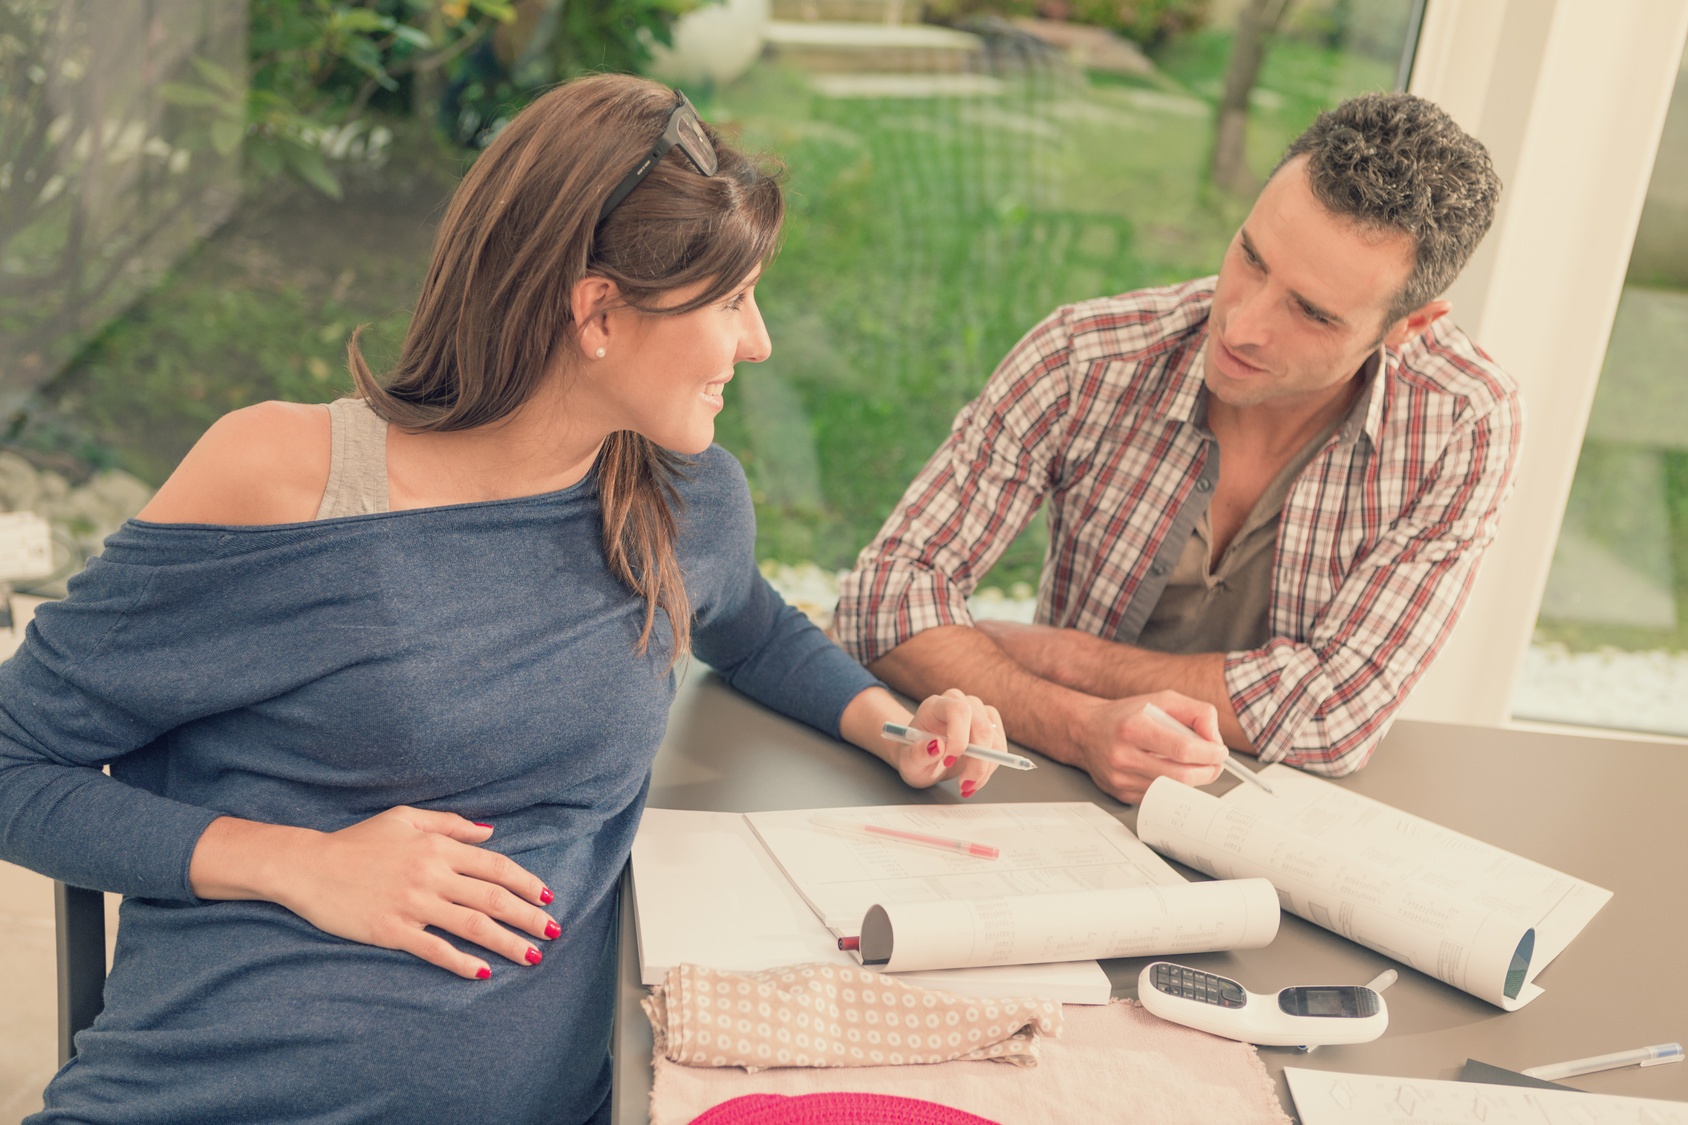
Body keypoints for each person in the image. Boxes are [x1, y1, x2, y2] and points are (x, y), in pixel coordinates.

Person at [0, 74, 1004, 1124]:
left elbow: (749, 624)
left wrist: (895, 726)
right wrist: (298, 863)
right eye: (730, 301)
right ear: (598, 313)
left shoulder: (679, 501)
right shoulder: (287, 481)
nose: (756, 344)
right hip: (216, 1086)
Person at [834, 92, 1521, 803]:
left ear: (1409, 325)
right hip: (1057, 794)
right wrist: (1079, 725)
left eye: (1311, 312)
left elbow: (1337, 712)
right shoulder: (1088, 358)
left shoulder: (1463, 421)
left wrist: (1062, 656)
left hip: (1286, 825)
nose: (1244, 325)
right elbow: (882, 601)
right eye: (1251, 257)